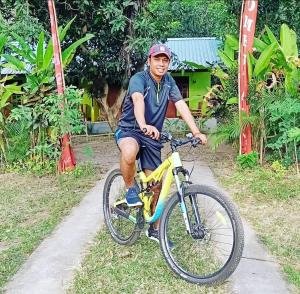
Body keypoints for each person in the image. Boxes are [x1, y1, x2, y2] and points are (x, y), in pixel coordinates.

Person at [115, 44, 207, 242]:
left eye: (165, 60)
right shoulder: (139, 79)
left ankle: (154, 230)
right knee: (129, 151)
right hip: (131, 129)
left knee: (156, 185)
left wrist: (196, 131)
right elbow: (138, 100)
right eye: (157, 59)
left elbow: (180, 105)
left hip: (152, 136)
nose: (161, 63)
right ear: (149, 61)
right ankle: (131, 189)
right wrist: (143, 124)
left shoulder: (168, 82)